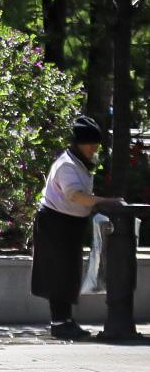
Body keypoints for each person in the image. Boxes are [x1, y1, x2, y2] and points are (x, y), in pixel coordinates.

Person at [32, 116, 124, 340]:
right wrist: (106, 202)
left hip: (69, 224)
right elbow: (75, 195)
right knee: (58, 274)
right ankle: (59, 323)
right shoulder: (67, 165)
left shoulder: (79, 163)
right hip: (55, 224)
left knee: (69, 274)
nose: (93, 148)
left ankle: (66, 320)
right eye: (88, 144)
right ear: (77, 144)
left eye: (95, 144)